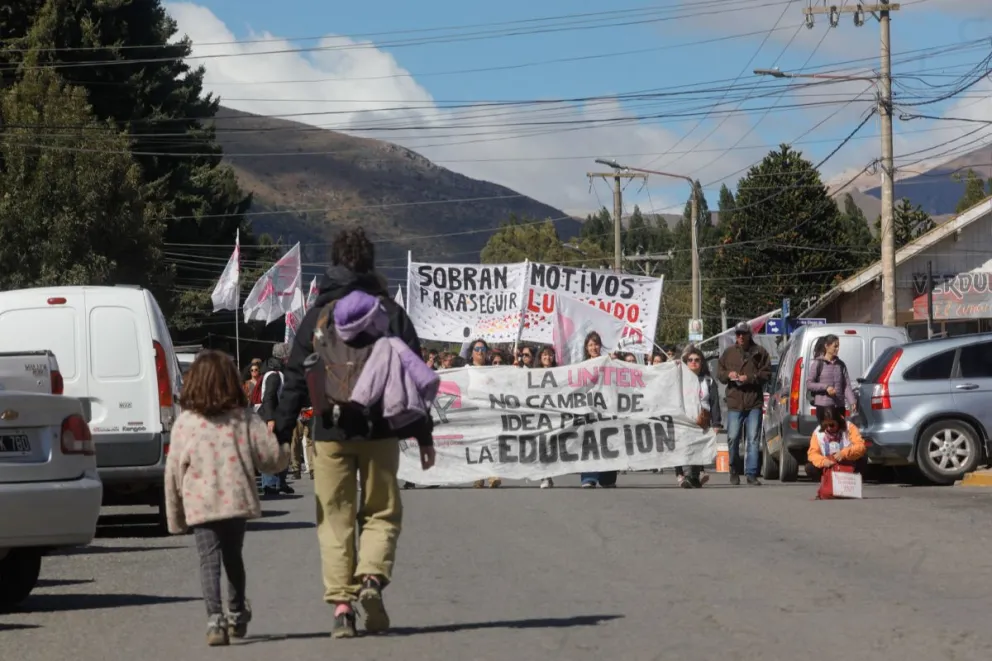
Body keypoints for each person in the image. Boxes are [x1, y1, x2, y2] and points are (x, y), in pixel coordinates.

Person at [274, 227, 436, 639]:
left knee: (334, 520)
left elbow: (295, 375)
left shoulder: (318, 312)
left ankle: (343, 608)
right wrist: (424, 434)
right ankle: (371, 579)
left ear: (334, 262)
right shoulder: (390, 312)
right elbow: (414, 375)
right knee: (382, 512)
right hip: (381, 429)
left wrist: (281, 433)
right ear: (370, 263)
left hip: (329, 431)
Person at [165, 351, 289, 647]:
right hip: (235, 500)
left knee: (208, 561)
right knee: (233, 557)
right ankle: (236, 612)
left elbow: (172, 474)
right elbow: (268, 458)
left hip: (200, 502)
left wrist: (175, 517)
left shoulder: (186, 423)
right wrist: (285, 453)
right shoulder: (244, 418)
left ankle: (214, 620)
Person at [717, 322, 772, 486]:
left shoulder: (760, 352)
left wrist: (750, 378)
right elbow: (719, 373)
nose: (740, 337)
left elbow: (767, 374)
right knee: (733, 438)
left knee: (753, 439)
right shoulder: (728, 353)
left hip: (753, 401)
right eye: (738, 334)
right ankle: (734, 470)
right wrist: (729, 374)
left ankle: (751, 474)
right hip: (735, 401)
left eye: (743, 334)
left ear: (750, 335)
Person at [676, 347, 721, 488]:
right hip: (685, 419)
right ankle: (683, 475)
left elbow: (714, 402)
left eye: (697, 360)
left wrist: (716, 423)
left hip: (702, 420)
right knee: (684, 447)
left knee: (698, 448)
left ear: (701, 363)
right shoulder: (679, 379)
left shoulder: (708, 381)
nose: (693, 362)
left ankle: (694, 477)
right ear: (686, 363)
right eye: (690, 360)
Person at [579, 332, 618, 489]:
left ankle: (607, 478)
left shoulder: (610, 362)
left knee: (609, 441)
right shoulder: (581, 367)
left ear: (600, 346)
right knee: (590, 442)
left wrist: (616, 363)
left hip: (608, 408)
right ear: (586, 348)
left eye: (596, 344)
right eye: (590, 345)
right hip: (589, 409)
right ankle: (589, 477)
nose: (594, 347)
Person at [257, 343, 294, 496]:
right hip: (272, 417)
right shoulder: (274, 375)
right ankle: (270, 484)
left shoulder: (274, 372)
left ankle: (279, 482)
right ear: (284, 357)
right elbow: (269, 398)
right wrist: (270, 419)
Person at [469, 338, 502, 489]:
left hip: (488, 410)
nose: (480, 352)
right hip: (472, 411)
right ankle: (478, 476)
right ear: (472, 353)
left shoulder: (492, 370)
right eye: (477, 349)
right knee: (477, 444)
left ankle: (492, 475)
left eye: (483, 350)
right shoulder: (465, 370)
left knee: (491, 442)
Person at [807, 405, 866, 478]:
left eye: (832, 425)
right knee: (810, 467)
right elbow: (812, 453)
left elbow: (861, 447)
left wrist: (844, 454)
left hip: (847, 462)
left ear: (838, 422)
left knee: (862, 460)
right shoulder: (817, 433)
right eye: (825, 425)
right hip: (828, 464)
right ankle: (826, 481)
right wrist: (823, 461)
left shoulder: (849, 427)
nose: (828, 428)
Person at [806, 334, 857, 414]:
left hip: (839, 407)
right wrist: (826, 387)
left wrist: (852, 401)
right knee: (828, 427)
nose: (837, 349)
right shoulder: (818, 363)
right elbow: (809, 384)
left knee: (841, 427)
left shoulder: (841, 365)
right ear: (827, 346)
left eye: (838, 346)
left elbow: (846, 385)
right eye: (835, 346)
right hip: (824, 407)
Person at [537, 346, 558, 489]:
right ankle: (545, 475)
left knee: (553, 446)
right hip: (540, 415)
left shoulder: (560, 372)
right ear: (540, 357)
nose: (547, 357)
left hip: (555, 414)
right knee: (542, 445)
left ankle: (549, 473)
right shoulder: (534, 374)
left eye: (550, 355)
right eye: (545, 355)